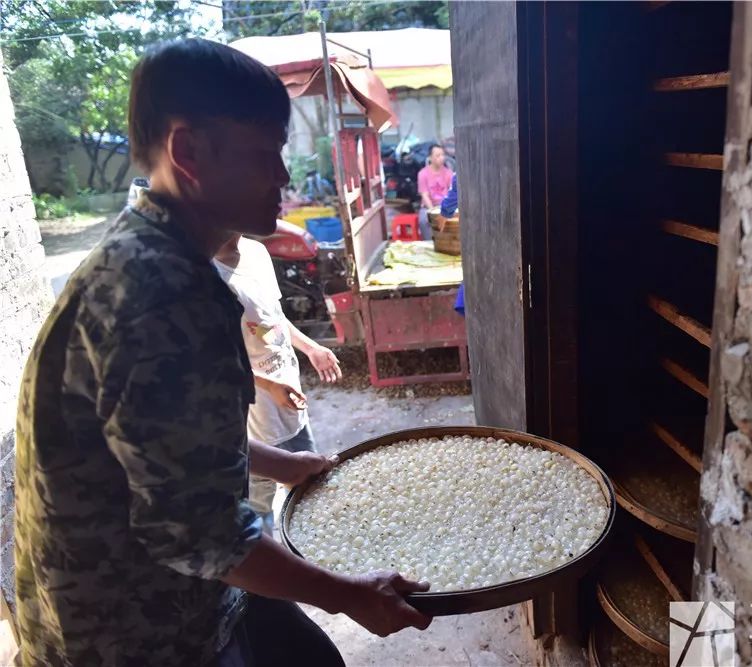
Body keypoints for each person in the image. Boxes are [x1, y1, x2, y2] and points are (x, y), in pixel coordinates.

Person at [14, 39, 430, 667]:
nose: (283, 177)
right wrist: (351, 595)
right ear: (188, 152)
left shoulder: (146, 250)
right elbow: (198, 532)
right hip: (135, 631)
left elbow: (162, 443)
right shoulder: (165, 294)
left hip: (160, 597)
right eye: (264, 154)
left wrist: (286, 465)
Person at [213, 234, 343, 534]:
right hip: (253, 415)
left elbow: (272, 319)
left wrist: (310, 347)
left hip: (288, 398)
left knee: (312, 489)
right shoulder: (206, 275)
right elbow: (213, 365)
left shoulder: (256, 252)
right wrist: (267, 384)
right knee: (258, 509)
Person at [417, 143, 454, 240]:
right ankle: (429, 243)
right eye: (438, 155)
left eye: (442, 155)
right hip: (428, 207)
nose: (441, 158)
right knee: (423, 221)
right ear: (430, 158)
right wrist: (433, 212)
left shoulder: (448, 173)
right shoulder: (422, 174)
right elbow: (424, 195)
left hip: (445, 206)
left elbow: (452, 193)